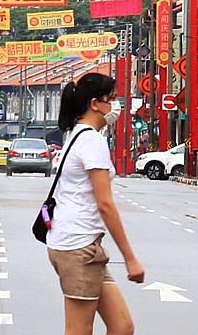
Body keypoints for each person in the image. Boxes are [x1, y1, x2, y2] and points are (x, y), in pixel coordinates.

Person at [46, 73, 144, 335]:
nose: (115, 106)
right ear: (95, 104)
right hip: (78, 247)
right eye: (111, 99)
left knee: (122, 326)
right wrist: (130, 259)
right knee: (79, 331)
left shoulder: (75, 135)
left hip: (78, 245)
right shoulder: (91, 140)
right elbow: (105, 204)